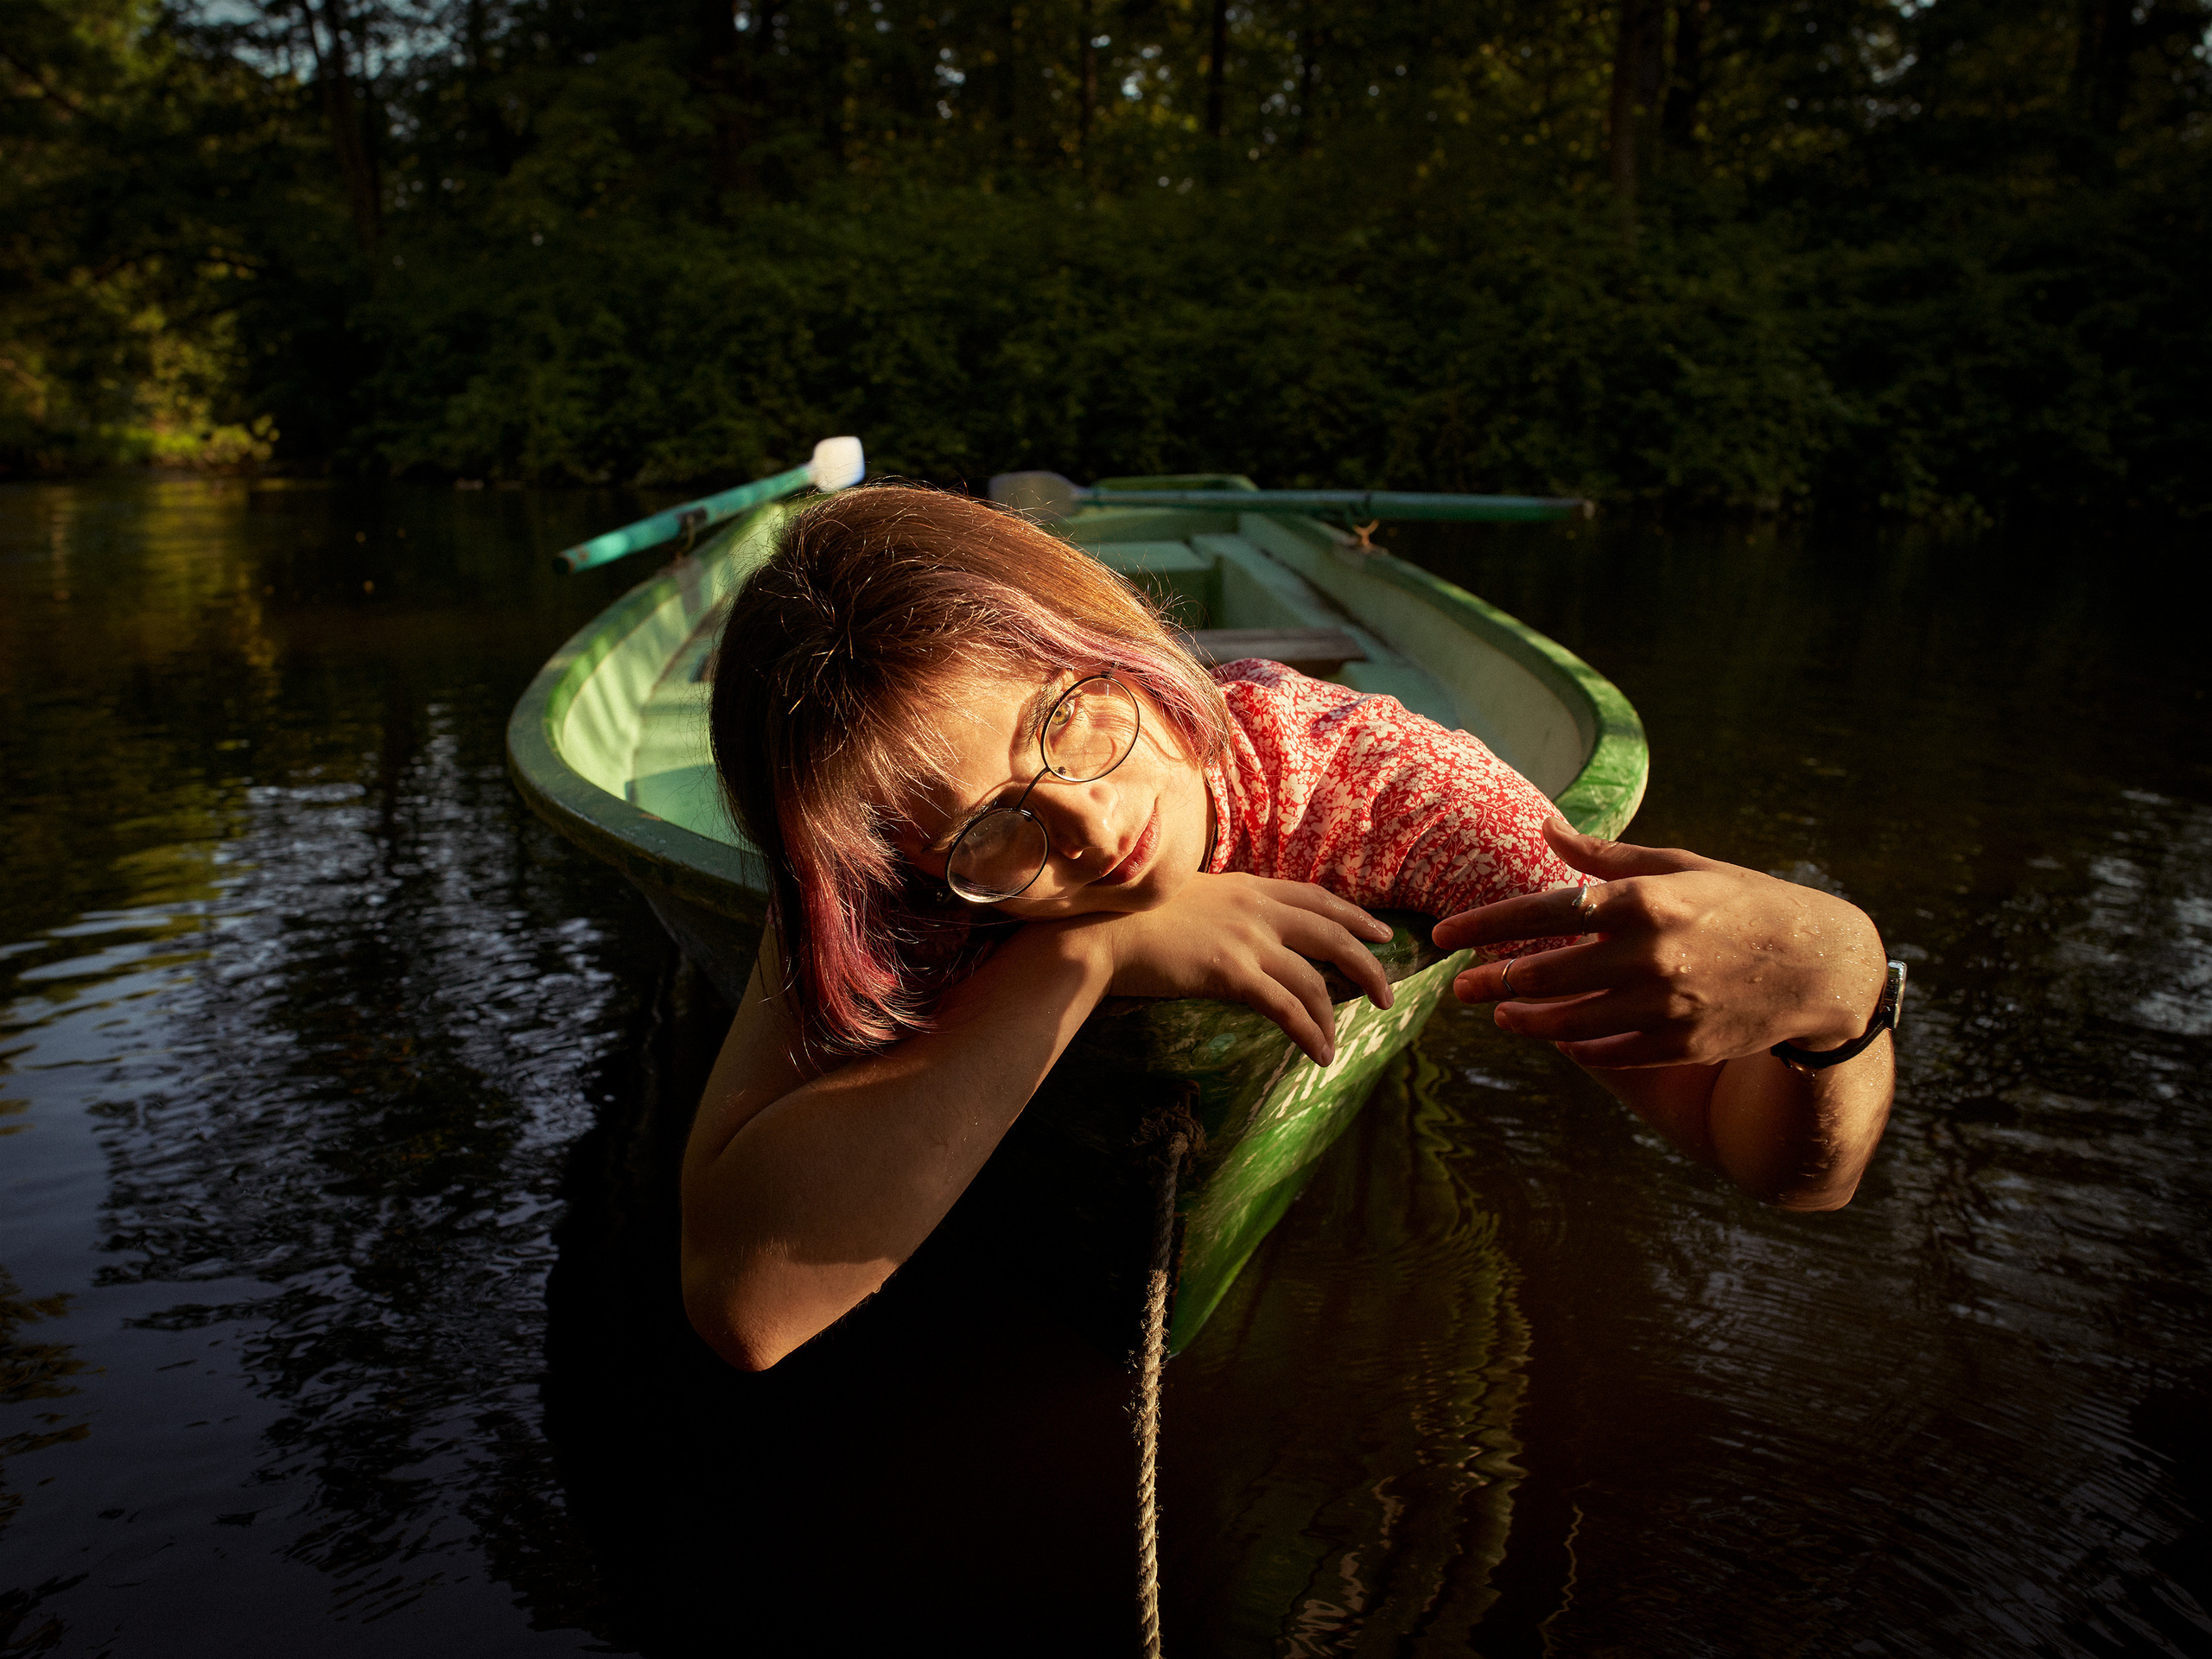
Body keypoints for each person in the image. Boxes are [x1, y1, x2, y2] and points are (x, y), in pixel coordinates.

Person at [680, 484, 1895, 1372]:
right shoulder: (888, 871)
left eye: (1075, 718)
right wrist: (1085, 954)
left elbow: (1781, 1169)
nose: (1093, 832)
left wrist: (1844, 993)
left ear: (1125, 648)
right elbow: (746, 1301)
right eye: (996, 828)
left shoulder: (1383, 791)